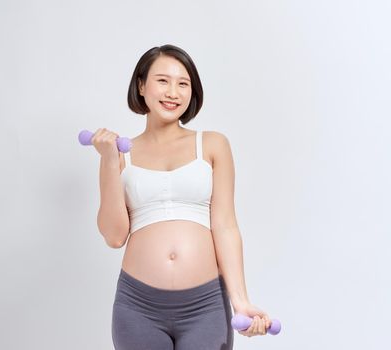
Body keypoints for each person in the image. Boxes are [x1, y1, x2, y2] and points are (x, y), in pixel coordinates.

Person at [91, 44, 271, 350]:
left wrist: (241, 301)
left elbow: (225, 225)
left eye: (183, 83)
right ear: (141, 85)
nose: (173, 92)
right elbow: (114, 236)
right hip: (137, 307)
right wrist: (109, 161)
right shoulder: (120, 154)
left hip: (204, 305)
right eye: (163, 80)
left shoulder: (213, 145)